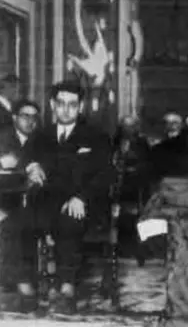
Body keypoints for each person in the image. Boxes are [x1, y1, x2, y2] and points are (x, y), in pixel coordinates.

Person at [7, 81, 113, 314]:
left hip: (81, 202)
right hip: (45, 202)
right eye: (61, 104)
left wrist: (81, 198)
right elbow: (25, 158)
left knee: (69, 221)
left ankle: (67, 291)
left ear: (81, 106)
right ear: (52, 105)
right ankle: (26, 290)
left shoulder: (96, 136)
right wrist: (31, 166)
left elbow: (105, 175)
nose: (66, 110)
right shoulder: (41, 135)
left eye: (72, 105)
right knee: (16, 223)